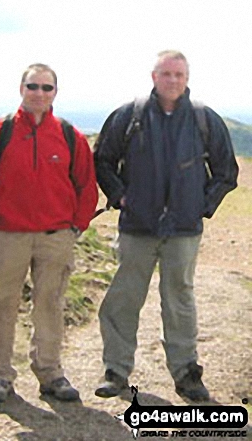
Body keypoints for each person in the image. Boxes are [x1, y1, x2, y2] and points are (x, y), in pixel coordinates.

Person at [93, 50, 238, 402]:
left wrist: (201, 207)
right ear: (154, 76)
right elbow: (103, 160)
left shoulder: (205, 119)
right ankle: (115, 370)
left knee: (180, 300)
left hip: (184, 230)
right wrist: (120, 197)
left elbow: (226, 172)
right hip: (137, 227)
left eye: (179, 74)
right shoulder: (129, 115)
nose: (173, 80)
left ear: (187, 78)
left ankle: (187, 372)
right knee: (124, 298)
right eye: (167, 74)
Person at [0, 63, 98, 403]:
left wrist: (76, 226)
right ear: (21, 89)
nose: (39, 93)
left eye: (46, 88)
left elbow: (86, 184)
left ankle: (51, 373)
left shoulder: (70, 136)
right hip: (8, 236)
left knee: (50, 304)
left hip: (56, 237)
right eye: (33, 86)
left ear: (55, 92)